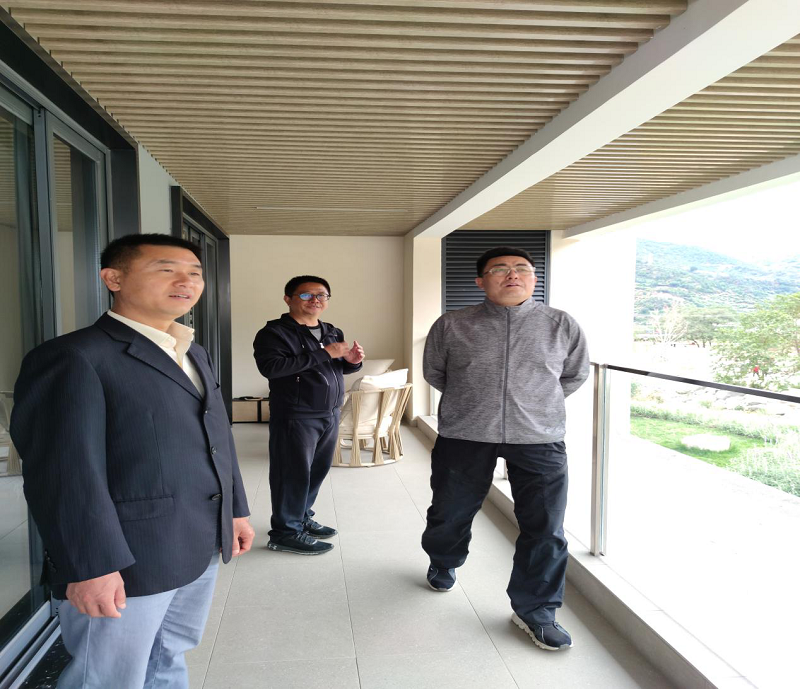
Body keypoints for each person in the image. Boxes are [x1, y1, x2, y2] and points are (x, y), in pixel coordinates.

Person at [11, 233, 254, 688]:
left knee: (169, 656)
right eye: (167, 270)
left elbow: (216, 437)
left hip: (195, 541)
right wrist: (90, 566)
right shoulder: (73, 357)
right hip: (124, 558)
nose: (186, 282)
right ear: (113, 278)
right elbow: (63, 475)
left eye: (195, 273)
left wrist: (235, 510)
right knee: (106, 677)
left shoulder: (191, 350)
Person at [421, 246, 589, 651]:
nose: (512, 275)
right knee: (449, 511)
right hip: (465, 434)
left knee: (545, 526)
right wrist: (473, 403)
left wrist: (535, 404)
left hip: (539, 437)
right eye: (500, 269)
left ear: (534, 279)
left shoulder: (561, 324)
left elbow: (574, 374)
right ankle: (443, 560)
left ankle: (537, 610)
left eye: (522, 269)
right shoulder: (452, 324)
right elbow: (435, 372)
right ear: (481, 281)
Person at [253, 276, 364, 555]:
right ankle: (285, 533)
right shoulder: (274, 333)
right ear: (288, 299)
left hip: (330, 412)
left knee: (316, 471)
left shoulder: (331, 331)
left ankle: (300, 518)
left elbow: (335, 368)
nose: (315, 300)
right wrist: (324, 353)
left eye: (321, 295)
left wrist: (352, 363)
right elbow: (272, 368)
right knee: (292, 473)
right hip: (296, 414)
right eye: (306, 295)